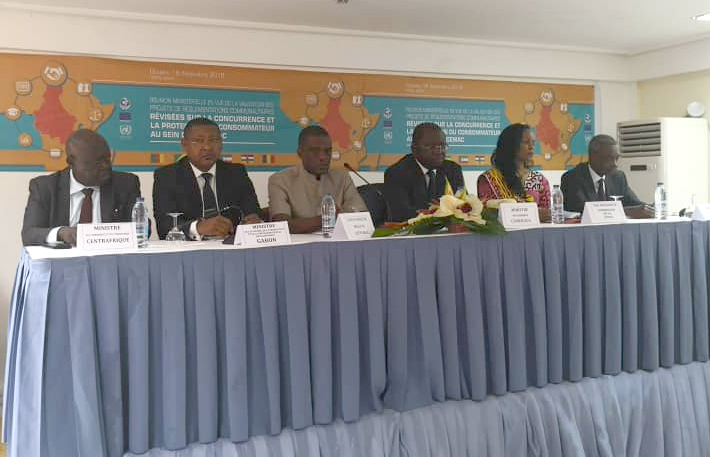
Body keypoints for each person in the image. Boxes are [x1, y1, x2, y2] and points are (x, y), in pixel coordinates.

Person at [21, 128, 142, 246]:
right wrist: (61, 233)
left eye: (107, 159)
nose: (106, 166)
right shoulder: (45, 188)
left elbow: (143, 229)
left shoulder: (125, 184)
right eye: (98, 161)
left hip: (111, 257)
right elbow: (29, 234)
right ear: (71, 162)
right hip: (64, 259)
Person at [153, 117, 262, 240]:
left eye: (213, 140)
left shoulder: (236, 173)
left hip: (231, 245)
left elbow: (253, 213)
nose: (207, 147)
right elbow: (164, 227)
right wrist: (198, 228)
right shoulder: (167, 176)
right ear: (184, 145)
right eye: (198, 141)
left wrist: (254, 221)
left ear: (221, 143)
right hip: (191, 248)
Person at [268, 125, 367, 233]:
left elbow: (361, 217)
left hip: (337, 240)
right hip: (302, 242)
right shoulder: (280, 180)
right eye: (315, 151)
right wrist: (330, 217)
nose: (323, 157)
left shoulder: (342, 177)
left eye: (328, 151)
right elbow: (282, 225)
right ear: (300, 153)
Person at [384, 122, 465, 222]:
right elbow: (402, 214)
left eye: (442, 145)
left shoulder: (453, 170)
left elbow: (462, 204)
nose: (438, 151)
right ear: (414, 149)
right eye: (430, 146)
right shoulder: (397, 173)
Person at [561, 134, 651, 217]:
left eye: (616, 158)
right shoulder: (572, 178)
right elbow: (583, 210)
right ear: (593, 157)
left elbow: (635, 205)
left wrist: (650, 209)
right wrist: (626, 211)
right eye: (609, 158)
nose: (615, 164)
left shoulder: (618, 177)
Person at [477, 123, 551, 220]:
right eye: (526, 142)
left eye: (533, 143)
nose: (531, 147)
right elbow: (487, 213)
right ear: (511, 144)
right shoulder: (490, 179)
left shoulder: (539, 180)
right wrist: (531, 214)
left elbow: (547, 214)